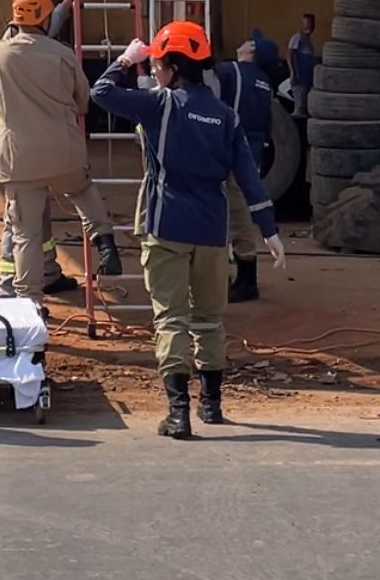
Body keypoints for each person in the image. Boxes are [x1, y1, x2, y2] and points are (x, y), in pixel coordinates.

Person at [91, 22, 286, 439]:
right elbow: (249, 179)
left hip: (167, 226)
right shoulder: (225, 116)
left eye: (158, 63)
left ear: (175, 67)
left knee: (171, 319)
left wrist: (126, 59)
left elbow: (101, 93)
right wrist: (269, 230)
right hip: (212, 230)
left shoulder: (159, 105)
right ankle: (211, 405)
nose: (154, 70)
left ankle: (178, 413)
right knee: (210, 319)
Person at [0, 0, 122, 306]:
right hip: (63, 151)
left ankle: (29, 302)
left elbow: (0, 53)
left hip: (19, 160)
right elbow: (83, 100)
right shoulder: (62, 54)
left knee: (26, 235)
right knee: (83, 191)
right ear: (46, 20)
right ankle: (104, 239)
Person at [0, 0, 79, 297]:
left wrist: (66, 4)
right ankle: (8, 288)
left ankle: (47, 272)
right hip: (17, 149)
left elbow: (43, 26)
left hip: (23, 147)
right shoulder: (15, 51)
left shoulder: (12, 45)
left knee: (35, 214)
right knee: (18, 220)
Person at [217, 31, 280, 303]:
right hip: (251, 156)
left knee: (228, 215)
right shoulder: (264, 82)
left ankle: (237, 280)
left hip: (229, 153)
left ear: (251, 49)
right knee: (242, 211)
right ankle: (245, 276)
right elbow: (267, 125)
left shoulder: (231, 71)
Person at [288, 12, 316, 121]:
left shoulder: (308, 40)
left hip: (306, 78)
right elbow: (290, 54)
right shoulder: (298, 37)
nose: (310, 25)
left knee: (304, 105)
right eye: (307, 22)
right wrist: (293, 72)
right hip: (300, 77)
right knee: (299, 108)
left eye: (311, 23)